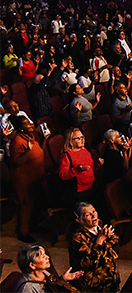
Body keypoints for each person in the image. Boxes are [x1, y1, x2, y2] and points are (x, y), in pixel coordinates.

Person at [8, 115, 46, 243]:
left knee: (35, 204)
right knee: (26, 206)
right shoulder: (17, 141)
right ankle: (23, 233)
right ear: (20, 128)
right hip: (24, 179)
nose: (30, 125)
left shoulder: (30, 136)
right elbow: (15, 162)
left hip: (35, 176)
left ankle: (32, 226)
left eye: (30, 123)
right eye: (27, 124)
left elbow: (39, 151)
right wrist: (27, 152)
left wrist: (45, 139)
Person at [68, 202, 120, 292]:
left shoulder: (99, 225)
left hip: (110, 276)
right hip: (93, 284)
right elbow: (90, 264)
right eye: (88, 214)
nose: (93, 215)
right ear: (79, 220)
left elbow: (116, 243)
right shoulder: (77, 238)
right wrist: (99, 241)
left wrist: (109, 236)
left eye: (94, 211)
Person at [59, 127, 102, 205]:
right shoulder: (66, 155)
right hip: (78, 193)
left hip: (90, 187)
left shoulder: (84, 150)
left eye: (82, 137)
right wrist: (77, 170)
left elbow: (90, 168)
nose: (82, 140)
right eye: (78, 138)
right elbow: (62, 175)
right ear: (70, 141)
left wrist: (98, 165)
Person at [15, 245, 83, 293]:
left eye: (45, 254)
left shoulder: (44, 272)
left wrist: (63, 279)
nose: (47, 257)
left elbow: (51, 287)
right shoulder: (27, 288)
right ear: (32, 265)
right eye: (43, 257)